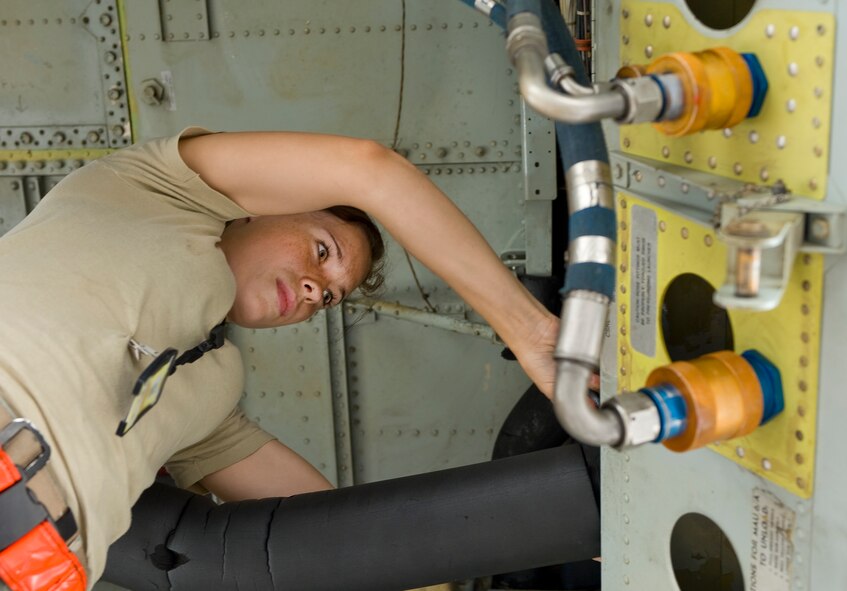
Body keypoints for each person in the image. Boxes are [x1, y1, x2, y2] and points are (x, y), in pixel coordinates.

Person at [0, 128, 559, 589]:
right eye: (321, 251)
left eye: (331, 296)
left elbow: (331, 524)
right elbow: (369, 169)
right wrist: (530, 330)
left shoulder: (214, 389)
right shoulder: (146, 189)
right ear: (264, 208)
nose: (318, 290)